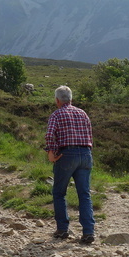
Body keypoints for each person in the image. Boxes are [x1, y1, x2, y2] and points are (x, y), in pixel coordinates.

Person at [44, 85, 95, 244]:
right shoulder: (83, 113)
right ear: (71, 99)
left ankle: (62, 229)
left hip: (66, 155)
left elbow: (49, 135)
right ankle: (88, 232)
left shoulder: (56, 114)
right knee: (84, 194)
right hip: (85, 154)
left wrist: (51, 153)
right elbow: (90, 135)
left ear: (57, 100)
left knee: (59, 192)